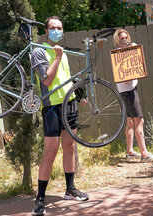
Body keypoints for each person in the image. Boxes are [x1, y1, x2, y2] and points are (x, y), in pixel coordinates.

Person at [31, 16, 89, 216]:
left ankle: (70, 189)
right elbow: (47, 81)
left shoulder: (62, 53)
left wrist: (79, 96)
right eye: (53, 28)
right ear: (46, 31)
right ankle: (40, 198)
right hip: (51, 107)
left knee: (70, 146)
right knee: (50, 151)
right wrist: (55, 57)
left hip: (69, 103)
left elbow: (66, 78)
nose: (57, 31)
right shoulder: (39, 52)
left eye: (60, 28)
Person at [113, 29, 153, 162]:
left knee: (131, 121)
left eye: (126, 37)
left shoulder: (126, 52)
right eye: (121, 38)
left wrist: (134, 49)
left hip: (128, 89)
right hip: (128, 91)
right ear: (117, 40)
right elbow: (124, 75)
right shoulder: (118, 55)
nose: (124, 40)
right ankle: (144, 154)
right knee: (139, 120)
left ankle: (130, 151)